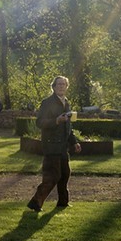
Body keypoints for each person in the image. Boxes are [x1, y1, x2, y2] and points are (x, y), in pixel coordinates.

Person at [27, 76, 81, 212]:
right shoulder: (47, 102)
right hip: (51, 145)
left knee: (65, 174)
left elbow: (69, 127)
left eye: (64, 84)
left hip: (63, 147)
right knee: (52, 176)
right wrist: (56, 121)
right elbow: (39, 122)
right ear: (54, 86)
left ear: (66, 87)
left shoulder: (67, 103)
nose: (61, 86)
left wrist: (74, 142)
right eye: (59, 84)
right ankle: (36, 202)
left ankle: (63, 202)